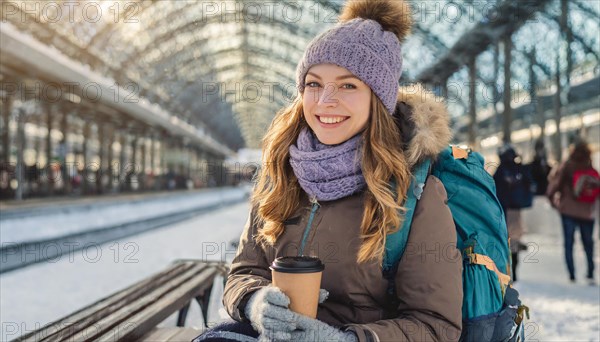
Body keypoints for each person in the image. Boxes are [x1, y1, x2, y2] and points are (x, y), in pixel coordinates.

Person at [194, 1, 462, 341]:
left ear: (377, 99)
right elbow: (245, 270)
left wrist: (349, 340)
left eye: (348, 85)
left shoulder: (415, 194)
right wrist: (253, 302)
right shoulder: (282, 174)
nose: (324, 101)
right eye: (314, 84)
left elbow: (435, 326)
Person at [546, 139, 598, 285]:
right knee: (588, 243)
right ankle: (590, 273)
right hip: (587, 210)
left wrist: (553, 201)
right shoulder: (589, 165)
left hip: (568, 209)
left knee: (569, 242)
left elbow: (555, 185)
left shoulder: (567, 165)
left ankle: (572, 274)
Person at [493, 145, 530, 282]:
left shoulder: (500, 171)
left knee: (504, 242)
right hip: (515, 210)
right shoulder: (519, 169)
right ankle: (514, 272)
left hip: (502, 211)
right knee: (514, 242)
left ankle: (507, 272)